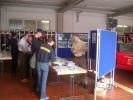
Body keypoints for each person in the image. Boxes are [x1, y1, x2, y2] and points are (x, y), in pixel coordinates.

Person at [31, 29, 44, 94]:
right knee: (36, 73)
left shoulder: (37, 39)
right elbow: (38, 49)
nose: (41, 35)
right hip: (36, 58)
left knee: (37, 73)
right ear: (38, 33)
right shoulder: (34, 39)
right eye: (41, 34)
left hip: (38, 57)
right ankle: (35, 88)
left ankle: (36, 87)